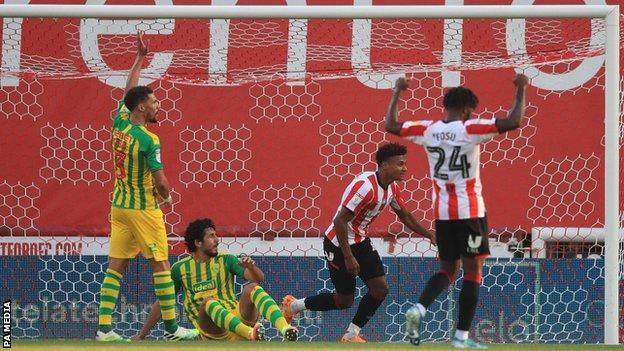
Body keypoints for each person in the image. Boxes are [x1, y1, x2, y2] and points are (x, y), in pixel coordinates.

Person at [385, 74, 529, 349]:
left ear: (446, 106)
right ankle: (461, 338)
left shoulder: (429, 129)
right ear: (466, 109)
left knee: (448, 270)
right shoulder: (470, 128)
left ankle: (419, 309)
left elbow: (390, 124)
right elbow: (514, 121)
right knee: (473, 272)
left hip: (442, 213)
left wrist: (397, 92)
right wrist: (521, 88)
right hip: (470, 212)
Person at [95, 31, 198, 342]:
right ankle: (171, 329)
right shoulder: (148, 139)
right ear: (141, 108)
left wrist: (139, 58)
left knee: (116, 268)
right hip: (143, 209)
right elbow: (161, 180)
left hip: (119, 207)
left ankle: (103, 330)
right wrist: (167, 197)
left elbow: (129, 91)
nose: (157, 105)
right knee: (163, 266)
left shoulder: (120, 123)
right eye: (152, 102)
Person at [282, 143, 435, 343]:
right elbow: (339, 221)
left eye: (405, 164)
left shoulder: (392, 188)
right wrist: (348, 257)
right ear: (385, 164)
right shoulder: (365, 186)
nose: (405, 168)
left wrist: (430, 235)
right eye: (400, 164)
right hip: (338, 243)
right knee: (344, 300)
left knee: (380, 289)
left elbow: (405, 215)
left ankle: (351, 334)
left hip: (360, 241)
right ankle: (293, 306)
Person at [133, 218, 299, 342]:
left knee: (252, 287)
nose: (217, 240)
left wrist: (251, 267)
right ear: (198, 243)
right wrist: (142, 335)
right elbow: (164, 302)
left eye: (216, 235)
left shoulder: (226, 259)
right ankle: (251, 334)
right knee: (208, 303)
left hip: (240, 319)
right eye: (211, 236)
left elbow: (258, 279)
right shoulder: (179, 269)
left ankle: (285, 329)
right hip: (213, 331)